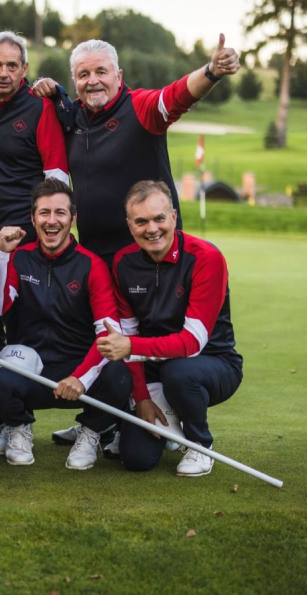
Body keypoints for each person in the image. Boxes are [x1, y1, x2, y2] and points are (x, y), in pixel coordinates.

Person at [33, 34, 240, 265]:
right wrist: (44, 88)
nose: (92, 81)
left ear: (118, 76)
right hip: (95, 258)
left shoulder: (139, 106)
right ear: (74, 81)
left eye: (101, 72)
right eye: (84, 74)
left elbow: (177, 95)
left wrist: (211, 71)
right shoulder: (72, 118)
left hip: (149, 254)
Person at [0, 179, 139, 470]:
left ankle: (91, 432)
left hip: (78, 375)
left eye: (60, 213)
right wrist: (2, 255)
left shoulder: (92, 266)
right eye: (44, 213)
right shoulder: (18, 258)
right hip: (31, 369)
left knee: (118, 374)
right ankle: (18, 427)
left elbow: (107, 334)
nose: (51, 221)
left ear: (73, 218)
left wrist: (80, 378)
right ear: (33, 218)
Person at [96, 180, 243, 477]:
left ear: (173, 217)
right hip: (153, 370)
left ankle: (200, 445)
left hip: (211, 364)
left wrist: (132, 347)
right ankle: (167, 419)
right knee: (136, 459)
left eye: (159, 218)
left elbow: (192, 342)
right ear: (129, 225)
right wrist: (142, 399)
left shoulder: (206, 257)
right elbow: (129, 333)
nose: (151, 228)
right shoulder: (124, 263)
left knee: (179, 373)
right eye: (141, 221)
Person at [0, 31, 70, 443]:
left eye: (13, 65)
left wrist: (39, 226)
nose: (4, 72)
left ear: (25, 69)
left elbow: (57, 174)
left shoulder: (39, 107)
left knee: (20, 322)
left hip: (23, 233)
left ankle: (17, 419)